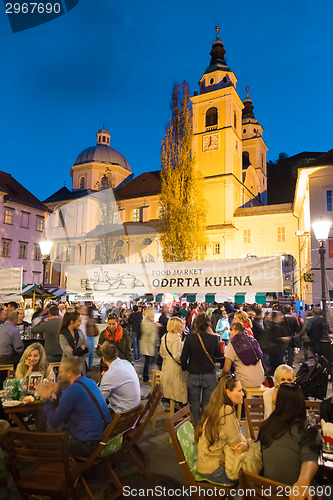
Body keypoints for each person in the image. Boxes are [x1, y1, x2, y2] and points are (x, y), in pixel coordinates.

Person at [37, 357, 111, 457]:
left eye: (61, 371)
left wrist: (46, 399)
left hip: (89, 444)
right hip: (103, 435)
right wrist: (58, 392)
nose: (60, 375)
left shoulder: (71, 391)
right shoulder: (90, 382)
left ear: (69, 373)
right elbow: (72, 401)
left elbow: (54, 421)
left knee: (47, 437)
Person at [258, 383, 321, 497]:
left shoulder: (266, 426)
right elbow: (310, 458)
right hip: (295, 494)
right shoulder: (306, 430)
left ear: (279, 404)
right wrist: (303, 480)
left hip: (267, 493)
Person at [195, 374, 247, 485]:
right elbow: (237, 443)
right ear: (228, 393)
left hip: (206, 463)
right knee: (250, 475)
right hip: (214, 469)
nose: (243, 394)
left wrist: (245, 443)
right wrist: (247, 444)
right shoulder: (226, 411)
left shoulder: (218, 406)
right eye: (239, 391)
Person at [180, 313, 222, 424]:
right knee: (207, 404)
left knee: (194, 403)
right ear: (208, 325)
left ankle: (196, 428)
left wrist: (186, 368)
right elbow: (219, 356)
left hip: (193, 373)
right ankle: (205, 428)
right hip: (209, 374)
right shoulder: (214, 339)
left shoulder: (189, 338)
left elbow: (183, 358)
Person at [99, 343, 140, 413]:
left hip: (124, 415)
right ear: (116, 354)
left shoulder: (109, 375)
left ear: (103, 359)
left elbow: (99, 399)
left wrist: (103, 380)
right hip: (135, 411)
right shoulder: (126, 363)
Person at [223, 322, 264, 388]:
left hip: (245, 381)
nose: (229, 332)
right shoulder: (253, 340)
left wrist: (220, 376)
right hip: (260, 380)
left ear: (237, 331)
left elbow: (226, 369)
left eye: (231, 330)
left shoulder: (233, 344)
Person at [159, 317, 187, 405]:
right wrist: (184, 362)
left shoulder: (165, 336)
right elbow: (176, 355)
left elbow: (161, 352)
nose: (182, 328)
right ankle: (179, 410)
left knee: (169, 389)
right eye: (181, 326)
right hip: (174, 367)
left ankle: (169, 404)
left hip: (166, 365)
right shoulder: (176, 338)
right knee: (178, 390)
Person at [140, 308, 157, 384]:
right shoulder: (145, 321)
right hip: (147, 345)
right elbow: (147, 332)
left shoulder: (150, 321)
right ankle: (145, 377)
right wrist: (154, 327)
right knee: (148, 362)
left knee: (150, 361)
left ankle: (145, 376)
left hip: (150, 345)